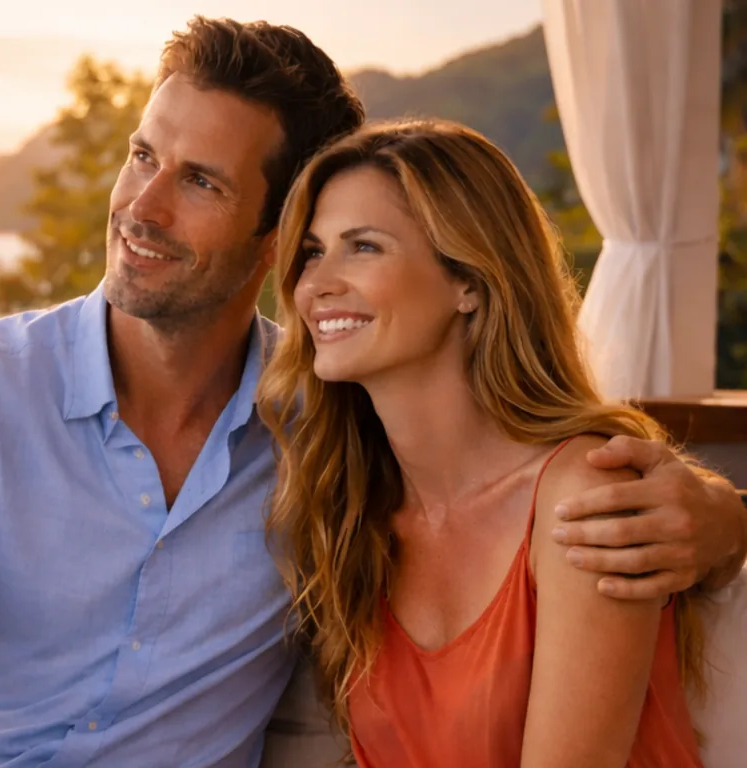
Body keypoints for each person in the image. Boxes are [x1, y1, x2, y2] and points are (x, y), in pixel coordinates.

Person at [0, 17, 747, 768]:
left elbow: (521, 487)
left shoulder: (322, 437)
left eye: (201, 182)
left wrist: (716, 518)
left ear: (272, 242)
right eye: (143, 157)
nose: (141, 208)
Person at [262, 120, 704, 766]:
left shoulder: (580, 497)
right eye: (311, 251)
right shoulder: (355, 512)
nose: (316, 284)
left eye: (363, 247)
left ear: (468, 280)